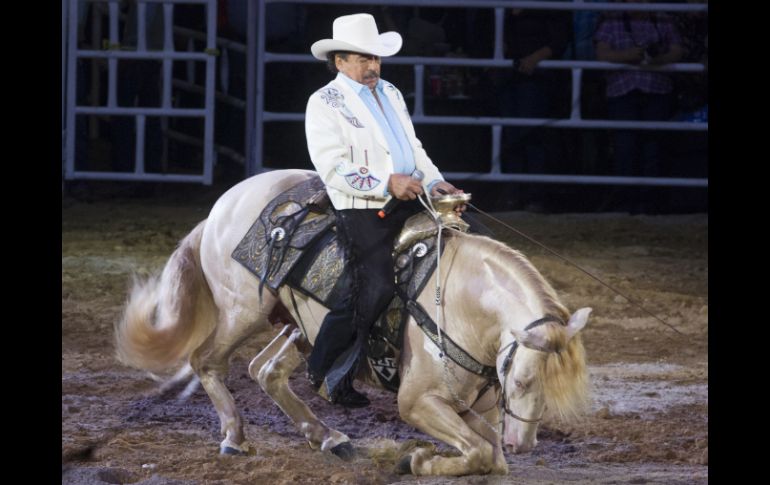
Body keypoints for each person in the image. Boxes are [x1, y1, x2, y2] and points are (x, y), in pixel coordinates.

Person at [304, 13, 462, 407]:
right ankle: (322, 368)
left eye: (375, 58)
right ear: (339, 62)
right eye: (362, 59)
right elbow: (333, 166)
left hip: (410, 196)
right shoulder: (324, 102)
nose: (372, 66)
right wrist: (385, 182)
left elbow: (412, 147)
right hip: (361, 208)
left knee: (466, 244)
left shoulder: (389, 91)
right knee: (373, 286)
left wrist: (435, 182)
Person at [594, 0, 683, 211]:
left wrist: (657, 59)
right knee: (625, 147)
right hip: (623, 89)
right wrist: (629, 56)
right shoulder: (612, 19)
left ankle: (649, 201)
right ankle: (625, 199)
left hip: (656, 88)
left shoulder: (662, 18)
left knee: (653, 147)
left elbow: (677, 51)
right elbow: (601, 53)